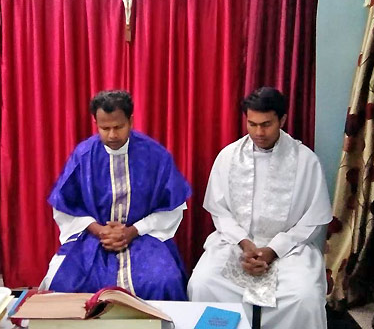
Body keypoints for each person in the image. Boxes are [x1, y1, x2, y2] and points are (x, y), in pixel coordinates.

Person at [188, 87, 332, 328]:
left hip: (289, 250)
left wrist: (273, 249)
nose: (258, 132)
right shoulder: (229, 156)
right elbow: (220, 211)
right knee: (202, 284)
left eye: (266, 124)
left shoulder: (305, 160)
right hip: (235, 244)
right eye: (252, 124)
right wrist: (245, 244)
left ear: (282, 120)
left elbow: (313, 219)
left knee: (304, 297)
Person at [40, 90, 191, 300]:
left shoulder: (155, 155)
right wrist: (100, 231)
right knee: (63, 282)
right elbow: (64, 205)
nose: (112, 135)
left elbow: (172, 208)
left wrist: (130, 232)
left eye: (118, 127)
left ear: (130, 120)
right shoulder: (83, 155)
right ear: (95, 123)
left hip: (144, 236)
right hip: (94, 237)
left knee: (164, 280)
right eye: (105, 128)